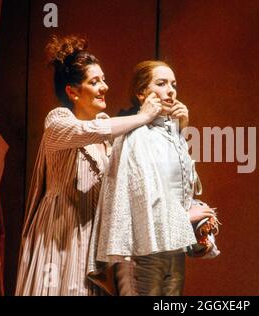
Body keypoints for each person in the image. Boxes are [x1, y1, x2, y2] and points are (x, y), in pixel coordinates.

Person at [15, 36, 161, 296]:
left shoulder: (106, 136)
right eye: (94, 82)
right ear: (72, 91)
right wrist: (143, 116)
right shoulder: (59, 121)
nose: (104, 86)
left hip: (93, 244)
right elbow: (92, 130)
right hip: (60, 239)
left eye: (103, 79)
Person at [88, 60, 219, 296]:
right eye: (161, 83)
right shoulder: (136, 135)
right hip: (143, 250)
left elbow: (185, 186)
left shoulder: (169, 132)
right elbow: (141, 196)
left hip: (172, 245)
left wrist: (181, 130)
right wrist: (185, 216)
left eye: (174, 84)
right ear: (141, 93)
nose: (171, 90)